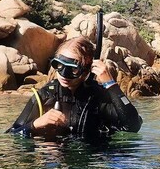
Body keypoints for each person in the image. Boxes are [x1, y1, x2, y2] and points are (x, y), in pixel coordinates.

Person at [7, 37, 142, 141]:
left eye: (73, 69)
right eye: (59, 66)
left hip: (93, 163)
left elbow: (132, 126)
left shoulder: (98, 97)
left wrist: (111, 85)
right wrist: (35, 124)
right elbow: (12, 134)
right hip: (56, 165)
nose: (64, 74)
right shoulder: (45, 95)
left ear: (86, 71)